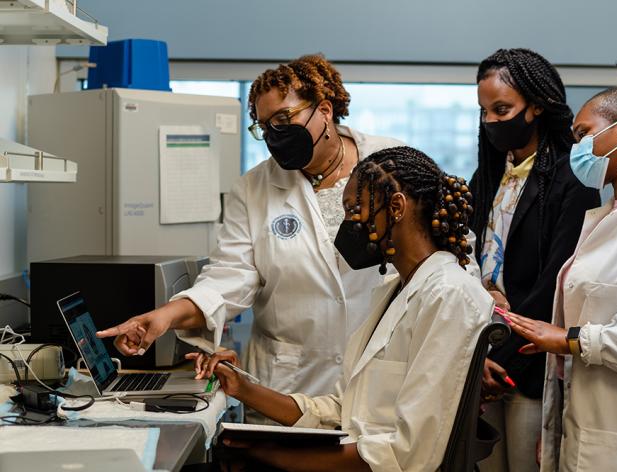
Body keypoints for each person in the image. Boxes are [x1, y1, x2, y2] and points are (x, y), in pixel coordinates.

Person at [97, 55, 403, 422]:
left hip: (380, 371)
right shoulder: (254, 188)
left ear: (324, 109)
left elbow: (435, 257)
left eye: (284, 120)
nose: (275, 135)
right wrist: (164, 316)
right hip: (288, 383)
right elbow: (230, 276)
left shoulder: (392, 162)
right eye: (264, 127)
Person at [189, 146, 493, 471]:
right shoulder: (392, 292)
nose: (348, 225)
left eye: (354, 210)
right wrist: (243, 389)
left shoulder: (449, 295)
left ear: (396, 207)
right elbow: (342, 409)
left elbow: (410, 453)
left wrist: (273, 456)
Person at [503, 87, 617, 471]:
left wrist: (569, 340)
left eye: (584, 134)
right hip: (582, 428)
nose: (577, 149)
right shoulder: (603, 214)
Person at [472, 48, 600, 472]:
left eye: (502, 109)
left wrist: (500, 356)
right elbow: (465, 264)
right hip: (480, 358)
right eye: (485, 111)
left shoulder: (570, 178)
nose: (491, 121)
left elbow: (556, 281)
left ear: (537, 105)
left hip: (529, 362)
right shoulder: (486, 177)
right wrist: (477, 356)